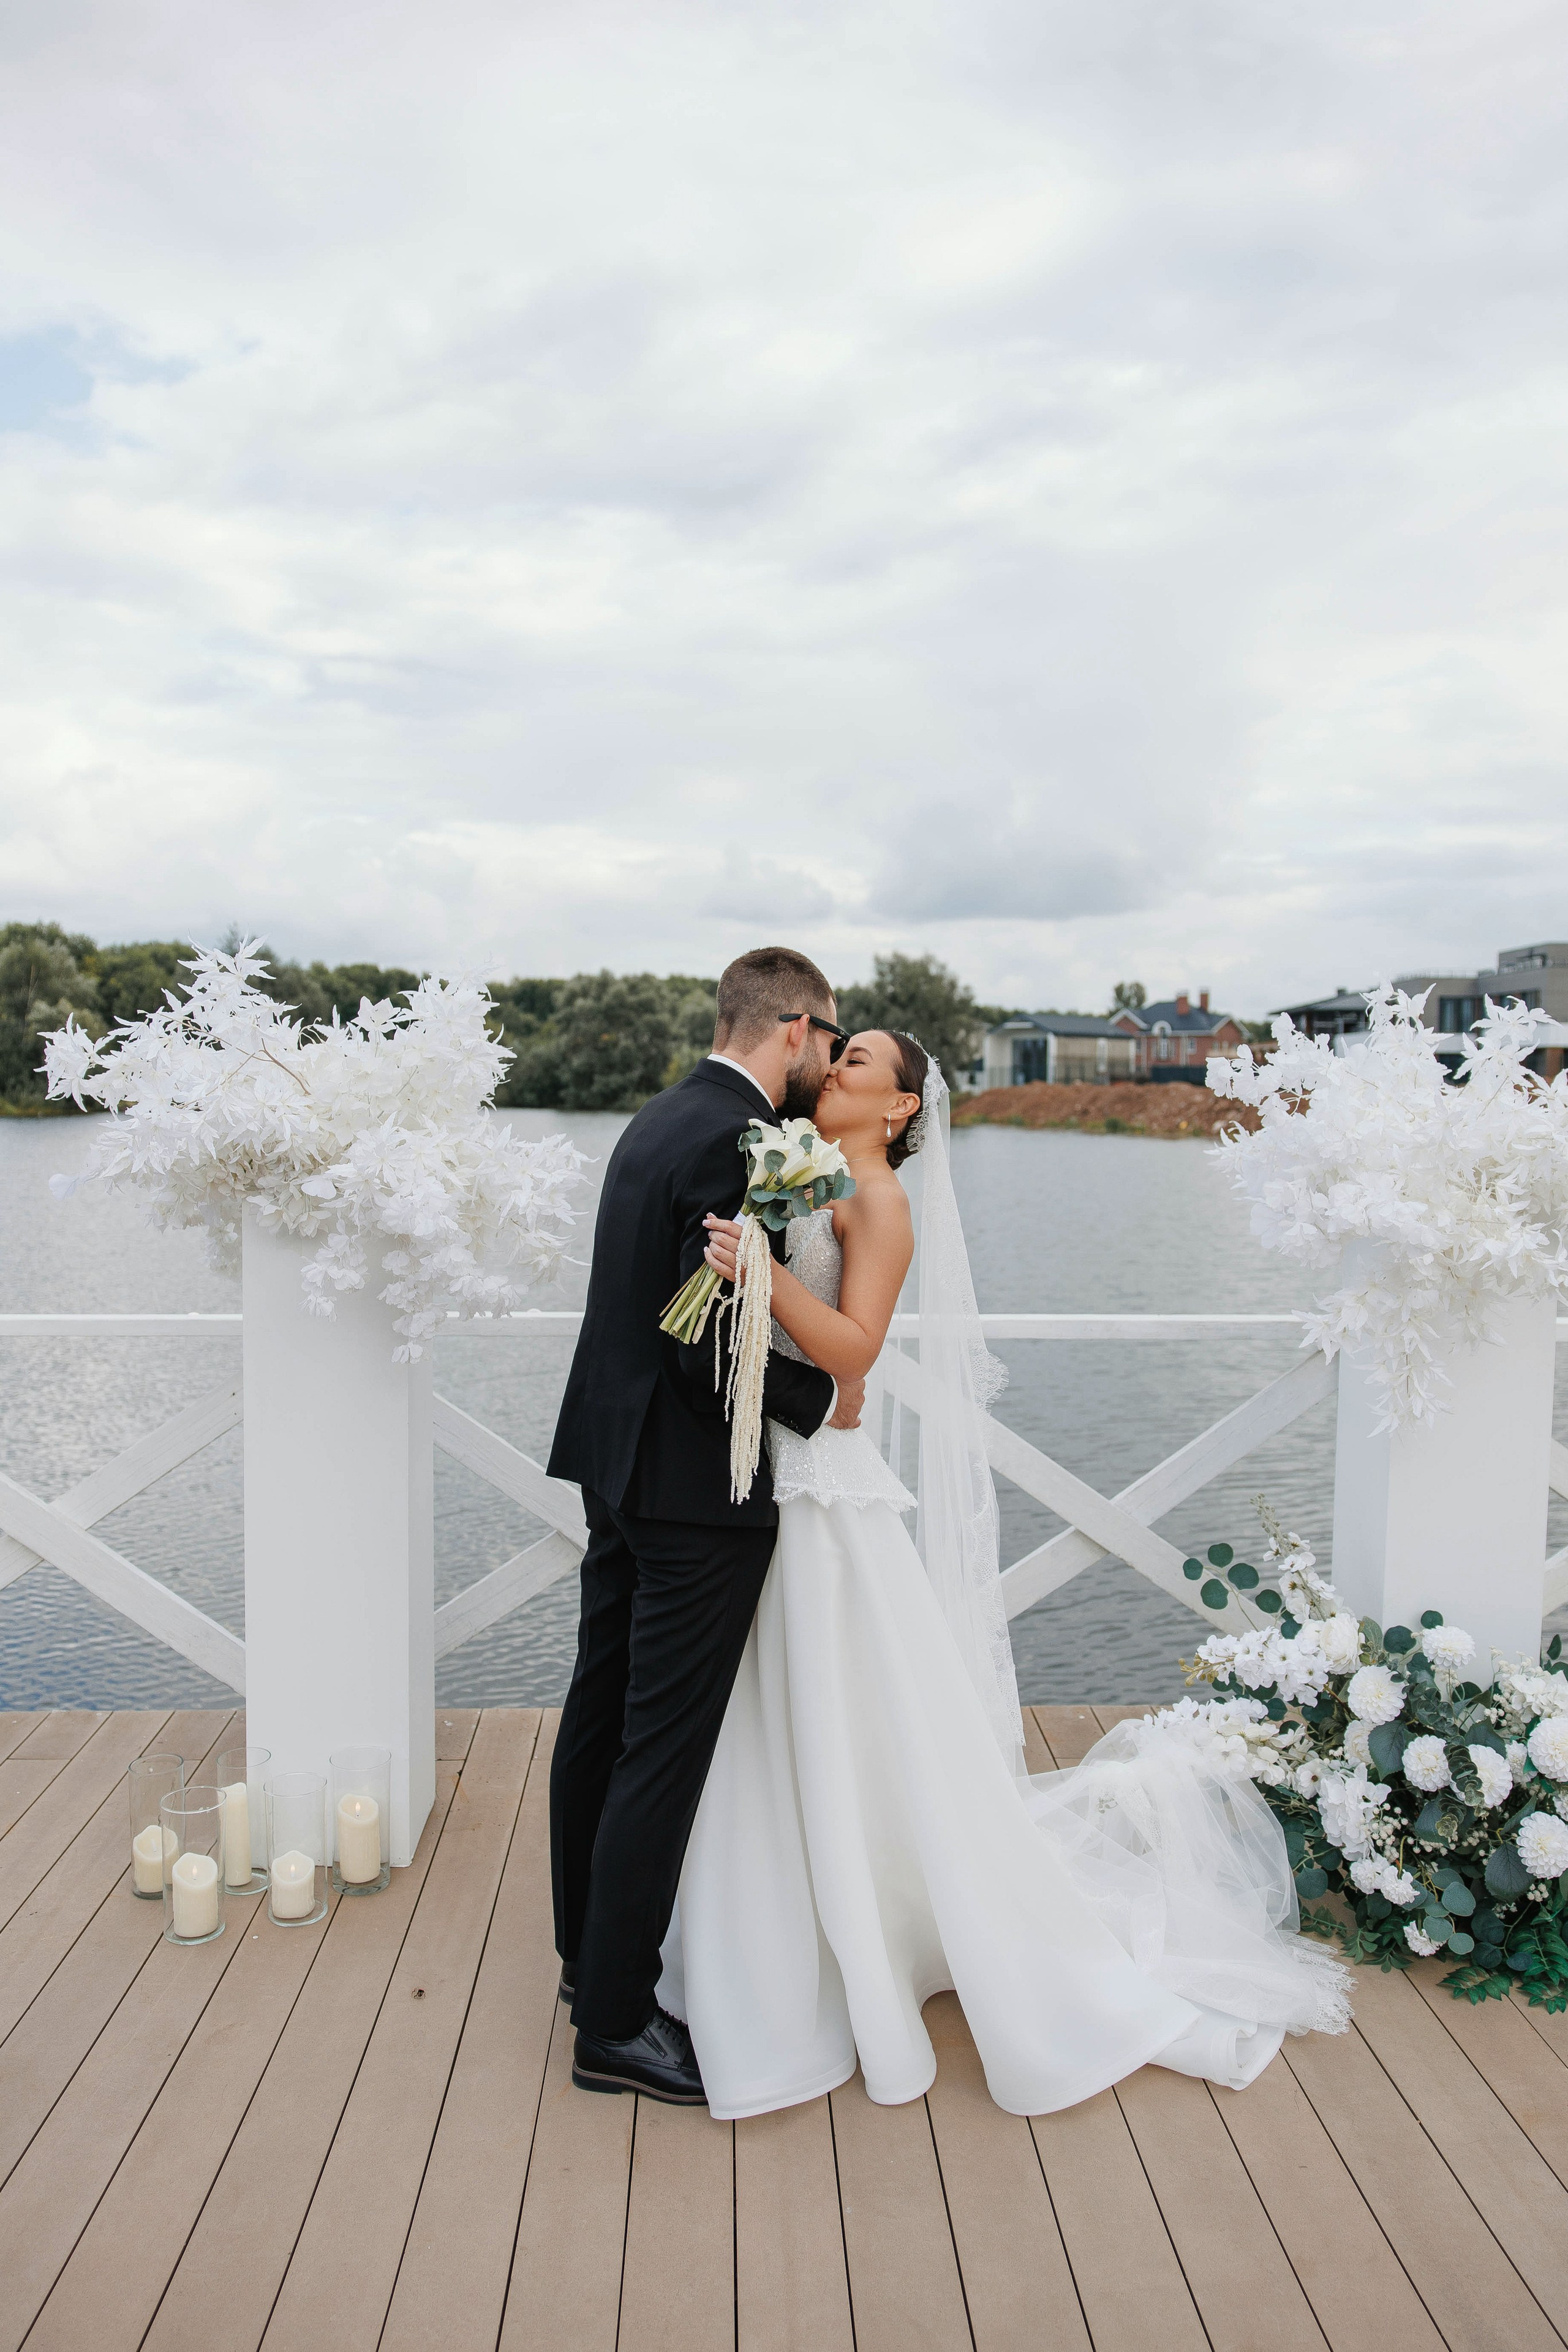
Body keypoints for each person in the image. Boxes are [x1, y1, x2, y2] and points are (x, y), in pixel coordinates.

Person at [658, 1028, 1352, 2119]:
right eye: (836, 1058)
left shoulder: (880, 1202)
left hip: (826, 1485)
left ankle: (873, 1938)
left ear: (896, 1112)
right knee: (781, 1714)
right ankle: (776, 1933)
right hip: (776, 1473)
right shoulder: (808, 1172)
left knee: (842, 1709)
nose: (833, 1070)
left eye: (859, 1066)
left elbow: (854, 1353)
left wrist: (759, 1277)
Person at [546, 944, 862, 2103]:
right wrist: (817, 1401)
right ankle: (618, 2026)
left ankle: (591, 1961)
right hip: (691, 1491)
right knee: (659, 1753)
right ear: (792, 1027)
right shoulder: (736, 1142)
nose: (826, 1059)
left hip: (615, 1465)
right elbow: (704, 1339)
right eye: (828, 1038)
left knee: (598, 1718)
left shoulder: (655, 1119)